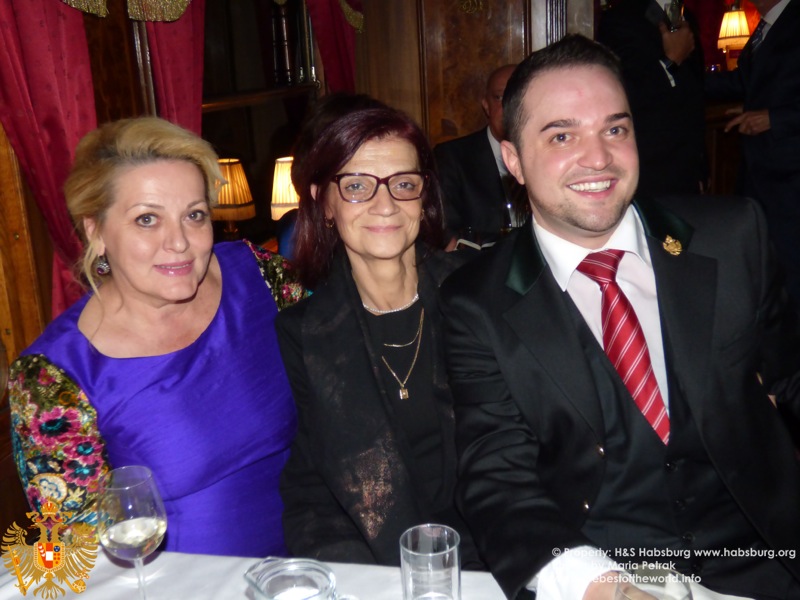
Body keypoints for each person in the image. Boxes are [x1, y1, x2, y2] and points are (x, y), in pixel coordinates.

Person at [441, 35, 800, 600]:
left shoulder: (732, 237)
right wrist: (605, 587)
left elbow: (790, 378)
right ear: (513, 160)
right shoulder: (476, 303)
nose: (598, 158)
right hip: (606, 570)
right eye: (562, 136)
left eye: (615, 129)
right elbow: (497, 479)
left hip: (758, 564)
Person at [7, 117, 305, 557]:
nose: (179, 242)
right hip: (184, 584)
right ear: (95, 231)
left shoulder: (261, 276)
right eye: (147, 219)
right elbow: (82, 550)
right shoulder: (52, 379)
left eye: (194, 215)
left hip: (323, 561)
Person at [276, 106, 482, 568]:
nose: (385, 204)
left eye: (403, 184)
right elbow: (312, 487)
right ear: (323, 202)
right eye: (356, 186)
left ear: (424, 196)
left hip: (496, 560)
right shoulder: (303, 333)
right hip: (380, 567)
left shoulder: (477, 293)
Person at [705, 0, 800, 317]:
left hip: (791, 177)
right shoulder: (765, 26)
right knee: (766, 273)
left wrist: (774, 118)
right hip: (761, 174)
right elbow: (744, 82)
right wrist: (673, 77)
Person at [597, 0, 707, 196]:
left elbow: (694, 96)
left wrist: (700, 169)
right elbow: (622, 95)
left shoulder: (686, 16)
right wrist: (670, 63)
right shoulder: (620, 19)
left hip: (686, 173)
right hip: (648, 174)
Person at [434, 64, 525, 247]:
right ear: (486, 106)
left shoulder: (552, 156)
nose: (509, 106)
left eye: (517, 97)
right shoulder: (452, 157)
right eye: (500, 97)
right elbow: (446, 232)